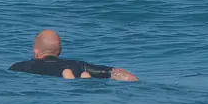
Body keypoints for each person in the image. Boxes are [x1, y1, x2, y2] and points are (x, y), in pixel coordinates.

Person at [9, 29, 138, 81]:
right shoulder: (77, 64)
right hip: (73, 70)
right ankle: (80, 78)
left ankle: (69, 78)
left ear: (35, 50)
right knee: (84, 74)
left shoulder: (21, 66)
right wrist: (135, 81)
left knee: (66, 76)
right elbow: (114, 72)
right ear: (60, 50)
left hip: (51, 75)